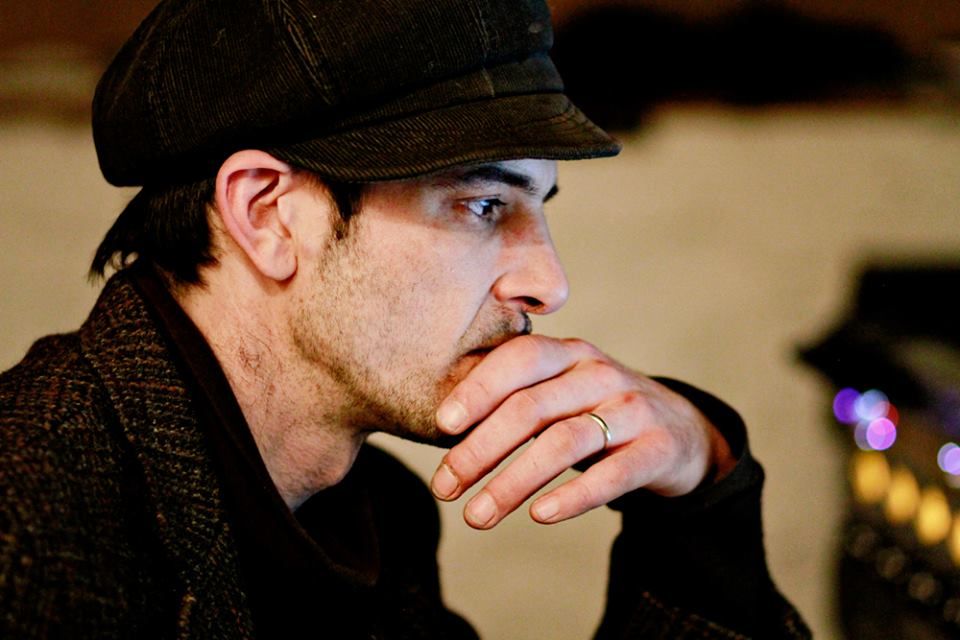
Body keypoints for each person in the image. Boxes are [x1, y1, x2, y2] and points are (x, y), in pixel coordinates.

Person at [0, 0, 810, 638]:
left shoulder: (374, 516)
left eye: (539, 209)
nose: (549, 285)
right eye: (483, 204)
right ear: (268, 214)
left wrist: (701, 493)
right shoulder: (27, 526)